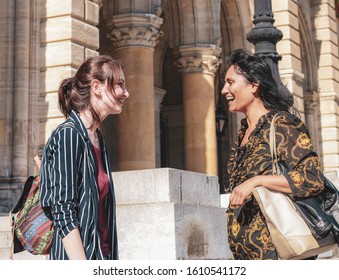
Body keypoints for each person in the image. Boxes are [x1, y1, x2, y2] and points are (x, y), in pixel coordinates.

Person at [221, 49, 324, 260]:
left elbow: (312, 178)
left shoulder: (282, 124)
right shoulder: (244, 131)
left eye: (230, 82)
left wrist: (256, 181)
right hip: (247, 254)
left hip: (280, 252)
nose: (224, 90)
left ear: (254, 86)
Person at [39, 55, 129, 260]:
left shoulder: (96, 138)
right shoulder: (69, 135)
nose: (126, 93)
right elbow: (63, 211)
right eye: (120, 85)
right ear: (97, 86)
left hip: (102, 255)